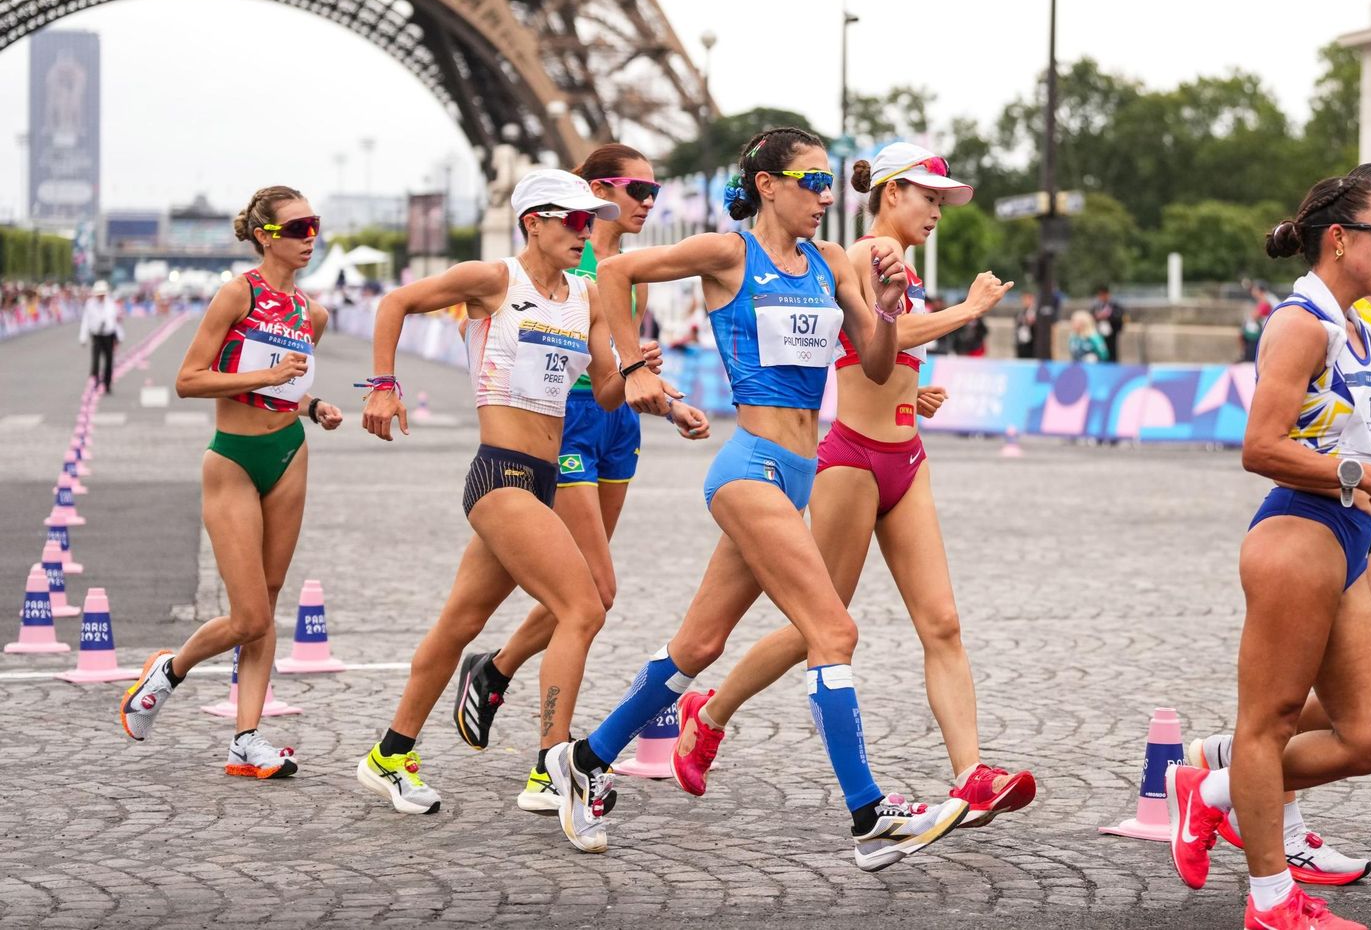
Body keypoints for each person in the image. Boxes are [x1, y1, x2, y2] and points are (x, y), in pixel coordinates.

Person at [547, 127, 970, 872]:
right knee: (833, 632)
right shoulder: (726, 253)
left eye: (831, 185)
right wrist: (630, 366)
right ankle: (869, 812)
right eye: (811, 183)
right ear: (768, 184)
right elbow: (612, 276)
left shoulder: (831, 260)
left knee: (700, 646)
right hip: (749, 469)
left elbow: (873, 364)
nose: (825, 198)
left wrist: (893, 308)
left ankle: (585, 758)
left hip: (800, 472)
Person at [672, 143, 1034, 827]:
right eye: (928, 198)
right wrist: (969, 309)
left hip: (908, 458)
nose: (936, 212)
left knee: (943, 622)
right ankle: (709, 711)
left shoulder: (904, 268)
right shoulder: (860, 255)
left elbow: (882, 357)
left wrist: (913, 393)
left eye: (942, 201)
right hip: (851, 462)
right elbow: (877, 343)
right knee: (822, 622)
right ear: (891, 193)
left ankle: (972, 774)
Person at [1186, 163, 1371, 888]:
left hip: (1347, 528)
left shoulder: (1352, 322)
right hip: (1301, 530)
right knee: (1271, 722)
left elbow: (1345, 431)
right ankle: (1271, 887)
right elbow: (1261, 448)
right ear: (1342, 240)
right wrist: (1366, 475)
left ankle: (1216, 789)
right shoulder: (1300, 323)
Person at [354, 169, 630, 855]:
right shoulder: (493, 279)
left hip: (542, 477)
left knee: (461, 623)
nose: (584, 232)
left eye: (589, 221)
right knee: (584, 606)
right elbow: (395, 304)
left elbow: (605, 390)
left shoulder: (586, 297)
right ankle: (558, 766)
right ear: (532, 221)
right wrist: (385, 387)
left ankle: (389, 754)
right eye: (570, 220)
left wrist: (651, 385)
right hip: (499, 475)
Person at [449, 146, 711, 814]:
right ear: (591, 193)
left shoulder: (630, 272)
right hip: (561, 430)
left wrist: (672, 403)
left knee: (590, 592)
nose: (648, 200)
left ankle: (497, 669)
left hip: (616, 426)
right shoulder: (571, 258)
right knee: (594, 592)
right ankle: (549, 760)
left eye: (656, 188)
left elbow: (624, 367)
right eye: (635, 188)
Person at [120, 186, 342, 780]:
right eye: (298, 227)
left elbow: (278, 392)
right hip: (234, 460)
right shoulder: (236, 294)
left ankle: (247, 740)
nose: (310, 237)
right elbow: (188, 380)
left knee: (267, 607)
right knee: (247, 617)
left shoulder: (312, 314)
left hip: (288, 454)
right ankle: (169, 671)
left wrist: (312, 404)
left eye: (315, 225)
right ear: (266, 235)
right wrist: (272, 372)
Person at [79, 280, 123, 394]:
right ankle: (95, 380)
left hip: (109, 335)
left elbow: (116, 321)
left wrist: (120, 336)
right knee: (95, 361)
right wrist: (83, 337)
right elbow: (85, 321)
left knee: (109, 361)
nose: (101, 296)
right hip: (96, 335)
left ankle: (107, 384)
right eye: (99, 294)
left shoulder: (111, 304)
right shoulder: (90, 304)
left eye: (102, 294)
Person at [1091, 285, 1125, 362]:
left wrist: (1108, 316)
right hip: (1100, 329)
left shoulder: (1115, 304)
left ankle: (1113, 362)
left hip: (1112, 330)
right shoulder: (1097, 305)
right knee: (1101, 348)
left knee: (1112, 348)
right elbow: (1092, 315)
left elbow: (1120, 315)